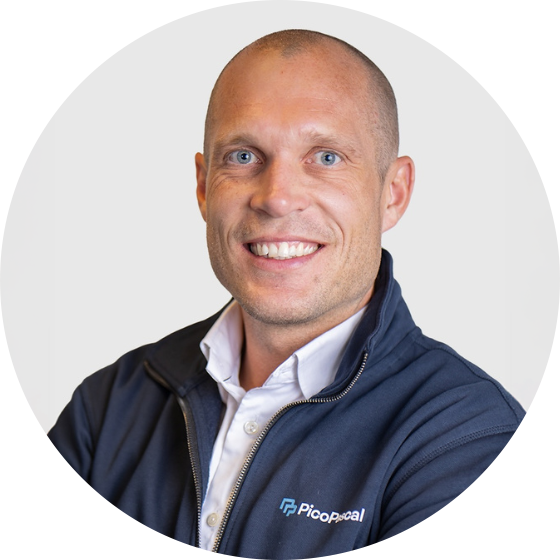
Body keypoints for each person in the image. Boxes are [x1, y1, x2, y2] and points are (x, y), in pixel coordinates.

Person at [48, 29, 525, 559]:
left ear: (393, 193)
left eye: (326, 158)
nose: (276, 198)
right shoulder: (108, 408)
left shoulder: (469, 438)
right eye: (244, 156)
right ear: (204, 187)